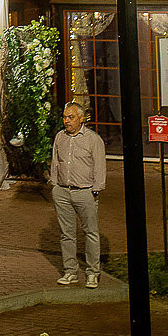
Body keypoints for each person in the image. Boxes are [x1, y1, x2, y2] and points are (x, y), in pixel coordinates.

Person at [50, 101, 106, 288]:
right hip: (63, 191)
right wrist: (55, 185)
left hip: (85, 192)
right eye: (65, 117)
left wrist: (96, 190)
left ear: (81, 119)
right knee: (67, 234)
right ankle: (70, 271)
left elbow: (99, 166)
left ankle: (92, 272)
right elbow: (55, 162)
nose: (66, 121)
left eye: (71, 117)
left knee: (90, 232)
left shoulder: (93, 139)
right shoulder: (60, 137)